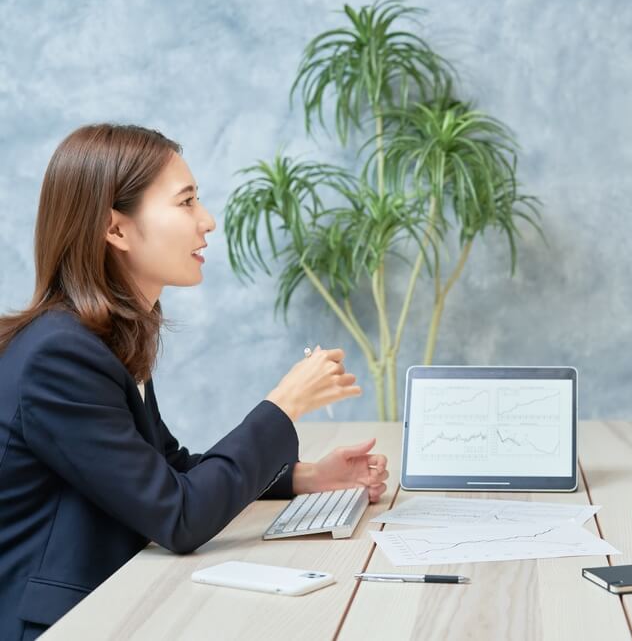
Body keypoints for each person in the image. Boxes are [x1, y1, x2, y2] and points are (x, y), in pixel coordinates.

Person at [0, 124, 390, 640]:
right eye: (185, 203)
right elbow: (179, 515)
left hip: (118, 597)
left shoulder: (100, 337)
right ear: (115, 229)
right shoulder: (60, 357)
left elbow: (167, 470)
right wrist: (284, 404)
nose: (206, 221)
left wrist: (306, 478)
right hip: (61, 624)